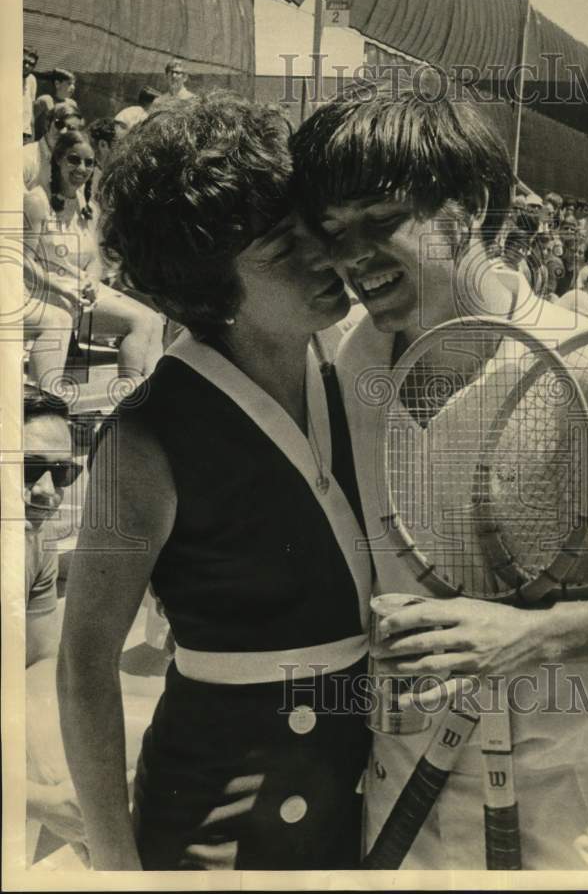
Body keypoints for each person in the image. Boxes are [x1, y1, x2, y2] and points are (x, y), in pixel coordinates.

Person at [291, 79, 588, 871]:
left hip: (567, 814)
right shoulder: (352, 358)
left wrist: (531, 639)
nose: (352, 257)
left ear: (468, 204)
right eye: (332, 231)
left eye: (380, 221)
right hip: (400, 798)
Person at [57, 92, 373, 871]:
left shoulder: (360, 364)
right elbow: (84, 664)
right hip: (212, 832)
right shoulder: (142, 439)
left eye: (314, 232)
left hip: (362, 805)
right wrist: (114, 867)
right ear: (208, 291)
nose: (322, 260)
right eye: (279, 252)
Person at [24, 130, 163, 383]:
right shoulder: (37, 201)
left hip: (80, 292)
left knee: (152, 320)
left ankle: (145, 401)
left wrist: (91, 280)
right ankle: (130, 404)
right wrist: (64, 289)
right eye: (74, 160)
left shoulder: (87, 207)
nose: (82, 168)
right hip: (45, 291)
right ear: (57, 160)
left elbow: (95, 260)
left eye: (89, 162)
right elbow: (23, 263)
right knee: (137, 321)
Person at [23, 385, 88, 865]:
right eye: (28, 468)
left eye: (62, 472)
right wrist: (38, 799)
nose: (47, 490)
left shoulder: (35, 540)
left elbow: (39, 666)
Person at [23, 101, 82, 192]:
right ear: (48, 123)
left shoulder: (72, 167)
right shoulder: (26, 156)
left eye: (71, 129)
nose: (63, 132)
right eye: (59, 124)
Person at [33, 68, 79, 139]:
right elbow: (29, 123)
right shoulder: (45, 100)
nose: (73, 87)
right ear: (57, 84)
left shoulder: (72, 104)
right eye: (69, 83)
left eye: (73, 84)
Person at [23, 46, 38, 143]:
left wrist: (32, 139)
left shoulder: (32, 80)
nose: (27, 66)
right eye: (24, 62)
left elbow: (31, 111)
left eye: (31, 64)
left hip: (25, 134)